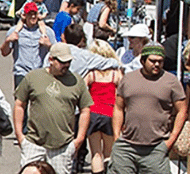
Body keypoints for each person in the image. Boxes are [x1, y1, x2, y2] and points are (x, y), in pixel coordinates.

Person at [14, 43, 94, 173]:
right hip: (34, 142)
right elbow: (19, 104)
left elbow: (85, 109)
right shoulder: (33, 77)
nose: (66, 65)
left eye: (68, 61)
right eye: (62, 62)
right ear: (51, 60)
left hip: (62, 145)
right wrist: (19, 135)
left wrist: (78, 140)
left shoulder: (77, 81)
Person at [108, 42, 187, 174]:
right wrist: (116, 136)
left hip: (156, 148)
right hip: (126, 146)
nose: (157, 65)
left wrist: (170, 141)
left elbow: (182, 110)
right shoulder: (128, 79)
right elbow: (118, 107)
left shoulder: (171, 81)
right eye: (153, 61)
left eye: (160, 61)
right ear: (143, 60)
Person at [84, 40, 122, 174]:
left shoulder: (91, 73)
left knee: (96, 153)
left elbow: (83, 91)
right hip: (110, 114)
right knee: (109, 152)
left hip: (93, 113)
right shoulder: (115, 74)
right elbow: (121, 95)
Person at [1, 2, 55, 89]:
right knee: (20, 102)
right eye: (30, 14)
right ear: (25, 15)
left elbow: (57, 51)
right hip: (21, 72)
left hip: (41, 73)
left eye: (35, 14)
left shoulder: (47, 32)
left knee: (40, 102)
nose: (33, 17)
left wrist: (48, 44)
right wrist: (7, 41)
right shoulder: (14, 31)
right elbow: (4, 52)